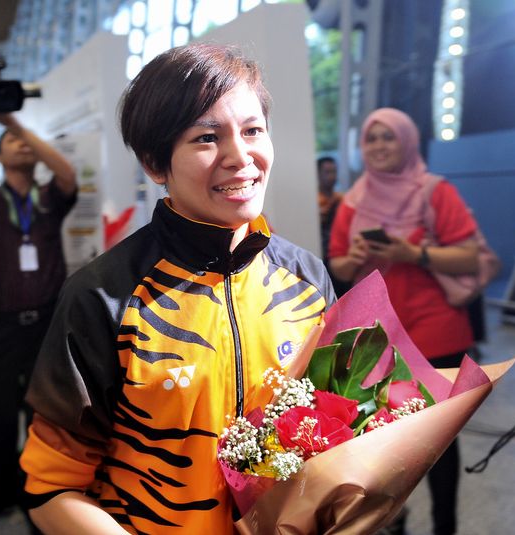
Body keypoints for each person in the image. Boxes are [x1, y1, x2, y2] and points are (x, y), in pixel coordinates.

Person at [18, 44, 335, 533]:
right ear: (154, 164)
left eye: (253, 130)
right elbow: (51, 486)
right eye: (207, 137)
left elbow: (337, 426)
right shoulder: (104, 296)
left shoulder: (307, 278)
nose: (240, 156)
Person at [328, 107, 480, 535]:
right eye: (371, 139)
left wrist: (412, 254)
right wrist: (353, 259)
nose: (378, 147)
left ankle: (445, 526)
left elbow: (468, 254)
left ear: (408, 141)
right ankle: (393, 523)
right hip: (375, 335)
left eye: (388, 138)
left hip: (436, 329)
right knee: (380, 437)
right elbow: (338, 264)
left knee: (438, 441)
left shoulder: (435, 192)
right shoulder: (352, 201)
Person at [0, 106, 77, 526]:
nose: (20, 143)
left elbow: (66, 172)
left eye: (24, 140)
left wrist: (13, 123)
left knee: (44, 420)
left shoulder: (50, 198)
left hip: (46, 325)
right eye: (10, 141)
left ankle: (41, 502)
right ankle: (0, 493)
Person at [317, 155, 350, 297]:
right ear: (317, 174)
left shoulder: (342, 200)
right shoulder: (315, 203)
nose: (332, 176)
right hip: (322, 257)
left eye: (334, 172)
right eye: (327, 172)